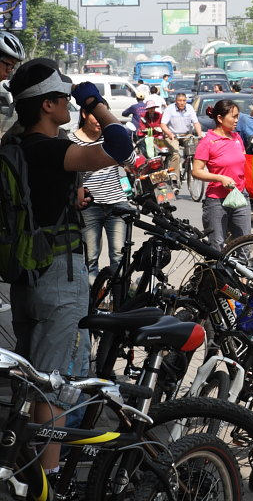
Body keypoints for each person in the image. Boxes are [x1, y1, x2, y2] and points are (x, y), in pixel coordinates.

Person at [7, 58, 134, 473]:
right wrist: (95, 102)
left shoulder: (15, 145)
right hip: (57, 278)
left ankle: (25, 473)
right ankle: (47, 478)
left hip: (28, 276)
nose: (69, 105)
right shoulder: (51, 148)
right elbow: (120, 146)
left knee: (35, 381)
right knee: (53, 388)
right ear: (46, 105)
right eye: (63, 98)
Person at [68, 103, 135, 284]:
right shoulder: (70, 141)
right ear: (84, 114)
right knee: (90, 259)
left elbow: (131, 160)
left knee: (119, 258)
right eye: (95, 116)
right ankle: (92, 305)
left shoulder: (111, 139)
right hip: (89, 207)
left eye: (103, 116)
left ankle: (120, 306)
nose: (99, 121)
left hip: (117, 203)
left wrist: (120, 145)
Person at [192, 99, 253, 249]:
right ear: (220, 118)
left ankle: (240, 273)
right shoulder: (208, 141)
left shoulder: (237, 138)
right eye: (233, 116)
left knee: (244, 246)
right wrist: (219, 178)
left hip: (241, 198)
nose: (236, 120)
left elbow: (245, 166)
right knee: (217, 246)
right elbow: (196, 171)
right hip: (216, 201)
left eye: (237, 116)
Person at [160, 92, 203, 176]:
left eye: (184, 100)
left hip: (186, 135)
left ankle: (188, 163)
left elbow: (196, 123)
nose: (182, 102)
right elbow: (163, 125)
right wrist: (169, 134)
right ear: (176, 101)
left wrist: (200, 135)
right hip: (173, 136)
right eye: (180, 100)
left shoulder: (190, 108)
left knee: (197, 150)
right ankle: (174, 178)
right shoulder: (169, 109)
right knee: (176, 155)